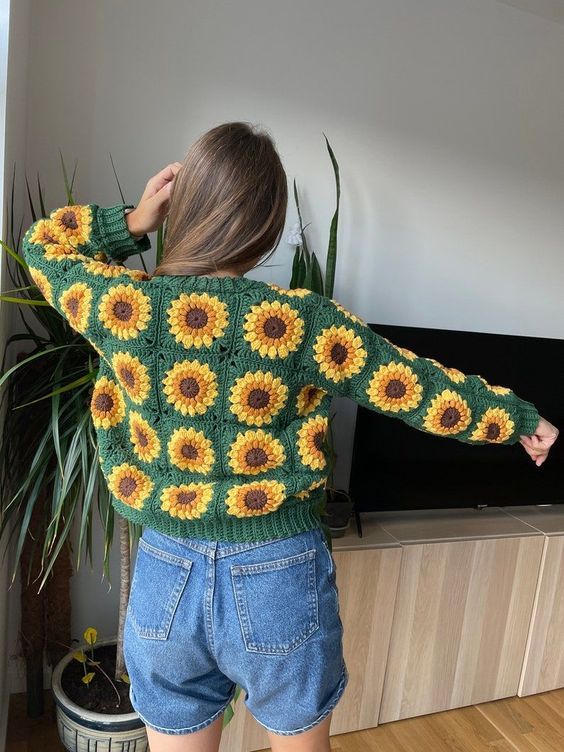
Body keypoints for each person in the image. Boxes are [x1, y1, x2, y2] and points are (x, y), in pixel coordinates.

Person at [22, 122, 558, 752]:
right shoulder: (299, 321)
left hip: (167, 569)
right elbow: (412, 385)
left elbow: (42, 247)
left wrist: (134, 221)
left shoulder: (129, 309)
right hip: (278, 570)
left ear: (186, 209)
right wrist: (520, 418)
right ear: (267, 228)